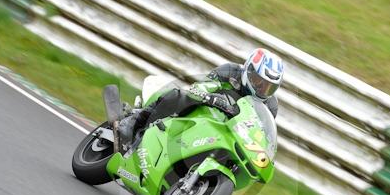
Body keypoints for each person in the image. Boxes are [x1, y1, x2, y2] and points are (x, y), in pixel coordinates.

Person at [117, 48, 284, 148]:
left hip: (226, 131)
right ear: (248, 71)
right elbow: (201, 86)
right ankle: (134, 121)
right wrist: (215, 99)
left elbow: (261, 134)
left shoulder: (270, 105)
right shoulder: (231, 71)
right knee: (180, 95)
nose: (262, 88)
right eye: (259, 81)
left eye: (269, 86)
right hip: (203, 110)